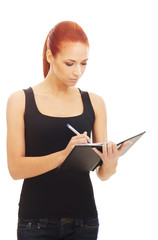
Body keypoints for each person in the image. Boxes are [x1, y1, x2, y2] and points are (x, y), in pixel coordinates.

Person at [6, 20, 130, 240]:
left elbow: (102, 174)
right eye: (70, 63)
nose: (78, 72)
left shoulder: (95, 102)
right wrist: (64, 155)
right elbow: (16, 169)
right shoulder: (20, 101)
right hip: (35, 223)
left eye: (84, 63)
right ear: (50, 56)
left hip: (84, 222)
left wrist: (110, 163)